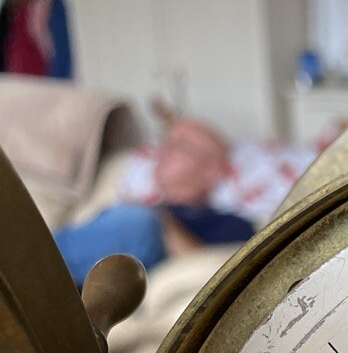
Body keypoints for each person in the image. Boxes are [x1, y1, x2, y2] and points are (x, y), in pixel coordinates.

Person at [54, 118, 255, 288]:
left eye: (181, 145)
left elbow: (208, 264)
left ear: (212, 171)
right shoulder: (133, 204)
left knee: (139, 221)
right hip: (85, 277)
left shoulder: (231, 223)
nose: (164, 151)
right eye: (166, 141)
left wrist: (162, 223)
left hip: (144, 261)